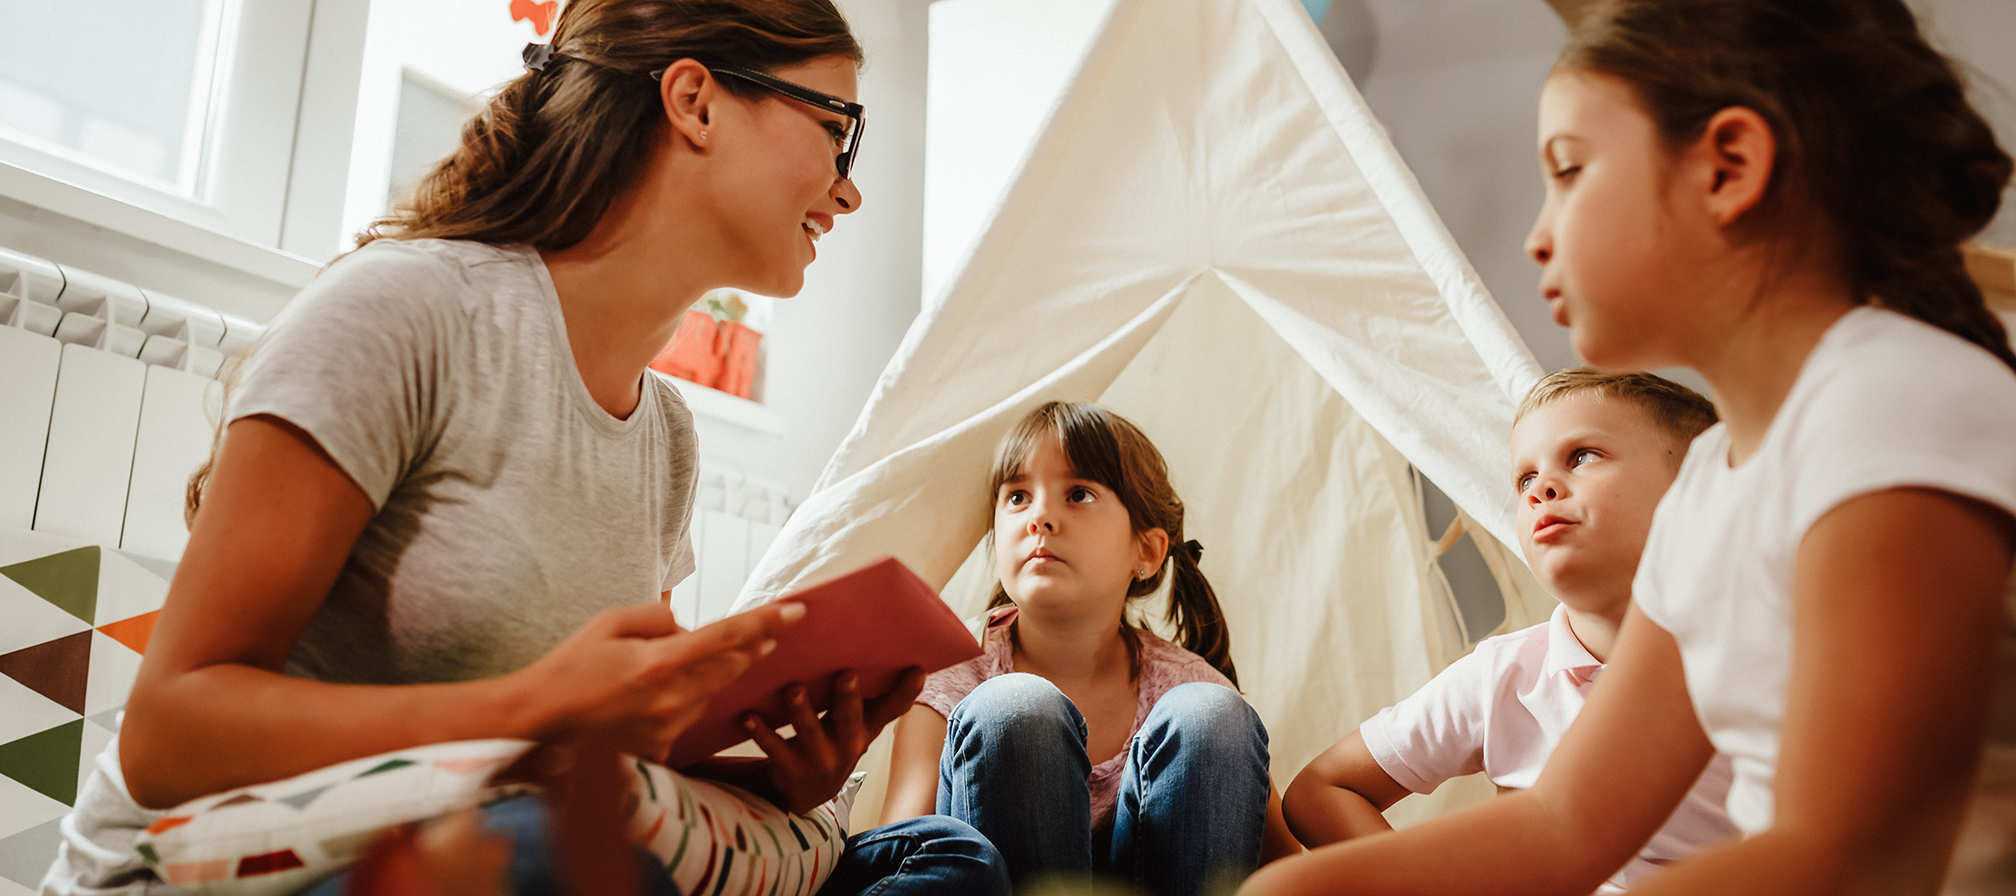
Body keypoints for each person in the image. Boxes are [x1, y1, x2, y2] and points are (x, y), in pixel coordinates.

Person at [42, 2, 1005, 894]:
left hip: (491, 835)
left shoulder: (664, 436)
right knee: (549, 849)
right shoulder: (406, 312)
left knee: (938, 856)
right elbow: (168, 737)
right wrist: (532, 708)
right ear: (696, 101)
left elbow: (606, 755)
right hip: (222, 865)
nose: (848, 192)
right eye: (837, 131)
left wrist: (776, 771)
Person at [1241, 0, 2016, 893]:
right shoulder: (1708, 495)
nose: (1539, 235)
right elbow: (1562, 825)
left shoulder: (1891, 403)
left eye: (1568, 171)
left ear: (1729, 167)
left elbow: (1856, 857)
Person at [1282, 369, 1738, 892]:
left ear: (1696, 490)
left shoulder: (1772, 657)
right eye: (1524, 480)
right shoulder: (1503, 676)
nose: (1541, 489)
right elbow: (1322, 789)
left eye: (1582, 456)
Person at [878, 401, 1301, 896]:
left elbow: (1288, 864)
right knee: (1013, 709)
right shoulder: (955, 671)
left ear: (1145, 552)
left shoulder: (1187, 684)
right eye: (1017, 496)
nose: (1039, 516)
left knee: (1212, 714)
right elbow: (900, 851)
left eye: (1077, 494)